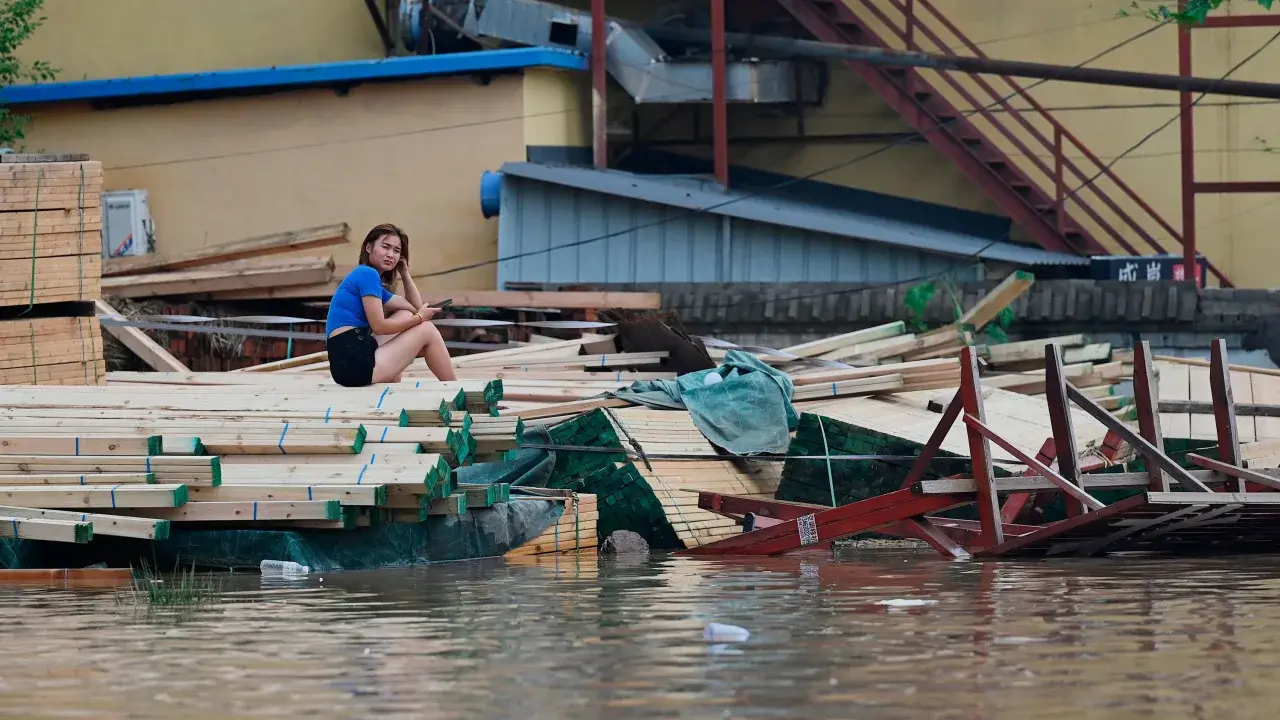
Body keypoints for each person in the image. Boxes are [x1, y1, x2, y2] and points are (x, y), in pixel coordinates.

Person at [325, 223, 457, 386]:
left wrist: (405, 273)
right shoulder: (367, 274)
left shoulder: (370, 280)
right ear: (369, 247)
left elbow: (413, 306)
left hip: (348, 361)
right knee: (427, 330)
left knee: (405, 314)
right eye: (385, 247)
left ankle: (393, 383)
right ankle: (456, 389)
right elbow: (379, 326)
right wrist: (419, 318)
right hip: (354, 362)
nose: (390, 255)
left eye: (396, 251)